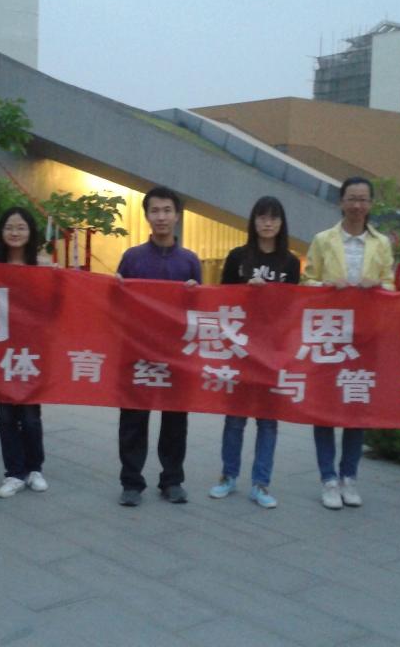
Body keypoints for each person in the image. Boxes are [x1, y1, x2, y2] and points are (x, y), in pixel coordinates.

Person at [302, 176, 394, 509]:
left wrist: (378, 287)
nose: (357, 205)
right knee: (324, 407)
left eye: (363, 199)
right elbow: (307, 281)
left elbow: (391, 286)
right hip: (331, 334)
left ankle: (349, 476)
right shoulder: (323, 240)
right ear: (341, 202)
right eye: (352, 198)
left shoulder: (381, 243)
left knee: (357, 404)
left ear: (370, 204)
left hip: (366, 335)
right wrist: (327, 287)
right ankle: (328, 478)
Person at [208, 196, 301, 509]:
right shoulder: (238, 257)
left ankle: (261, 483)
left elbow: (293, 308)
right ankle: (228, 476)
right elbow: (221, 299)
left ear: (281, 223)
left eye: (273, 217)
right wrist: (248, 291)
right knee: (235, 418)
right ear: (253, 221)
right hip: (240, 349)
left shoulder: (290, 262)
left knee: (268, 421)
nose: (267, 223)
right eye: (262, 217)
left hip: (273, 352)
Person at [116, 186, 201, 507]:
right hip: (137, 351)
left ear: (177, 216)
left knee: (175, 420)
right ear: (147, 216)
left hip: (176, 355)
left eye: (167, 210)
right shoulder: (132, 258)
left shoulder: (189, 261)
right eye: (155, 210)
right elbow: (115, 305)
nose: (161, 216)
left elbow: (199, 311)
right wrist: (116, 287)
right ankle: (131, 482)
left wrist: (195, 293)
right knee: (133, 419)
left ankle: (172, 480)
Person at [0, 207, 49, 499]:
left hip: (31, 353)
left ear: (30, 232)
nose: (15, 232)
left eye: (21, 227)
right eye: (9, 227)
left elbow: (56, 305)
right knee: (5, 416)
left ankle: (34, 468)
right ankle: (14, 472)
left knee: (31, 416)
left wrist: (59, 277)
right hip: (0, 352)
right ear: (1, 232)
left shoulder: (42, 267)